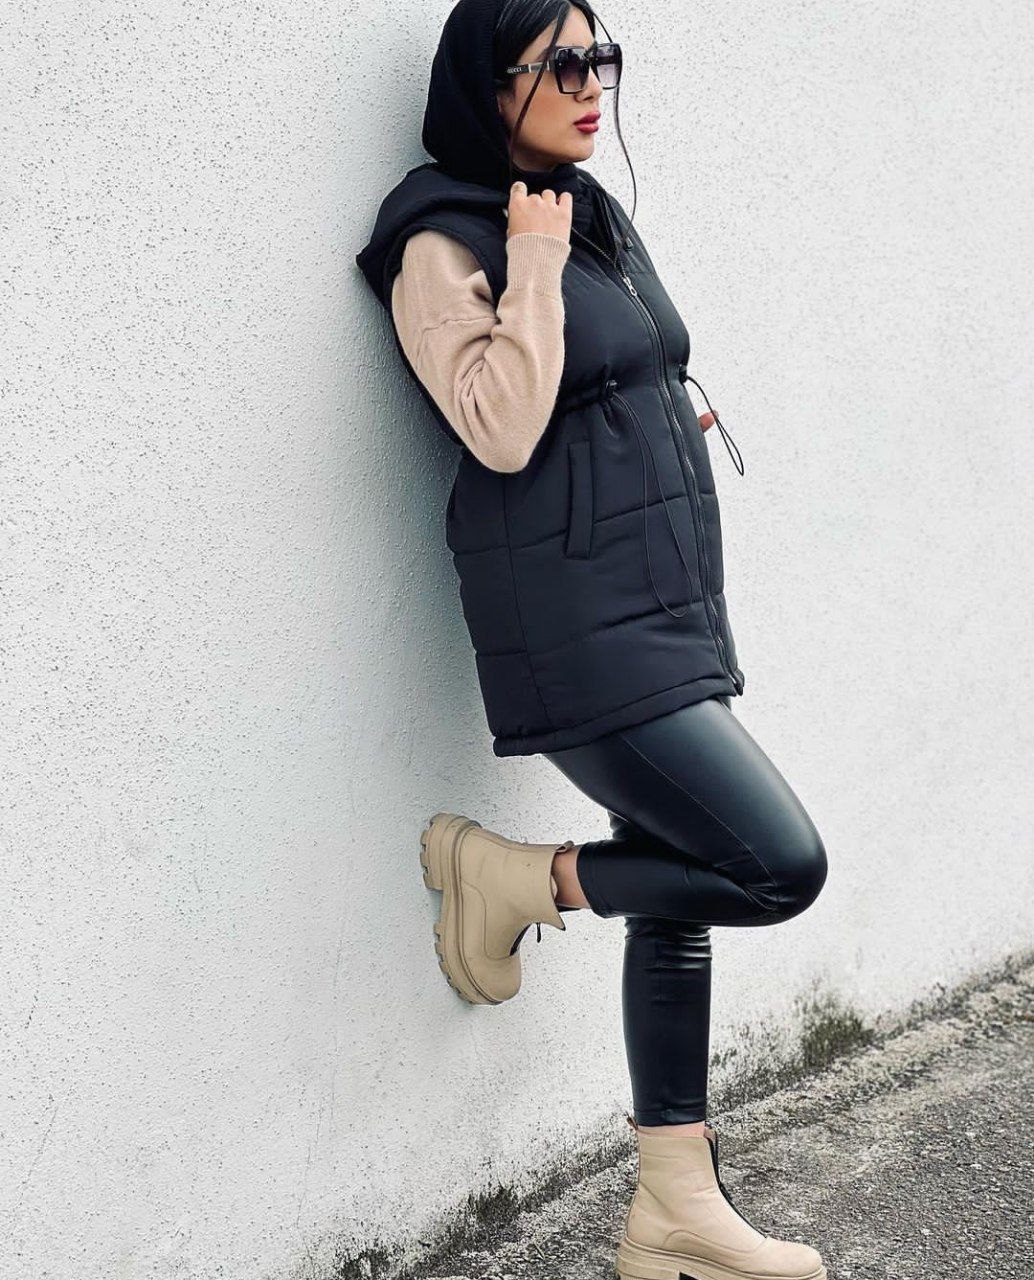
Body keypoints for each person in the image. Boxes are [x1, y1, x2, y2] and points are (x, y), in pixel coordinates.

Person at [356, 4, 830, 1278]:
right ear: (487, 84)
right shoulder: (440, 240)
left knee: (676, 884)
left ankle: (672, 1207)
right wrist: (524, 259)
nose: (591, 83)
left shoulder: (580, 210)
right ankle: (518, 879)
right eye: (560, 63)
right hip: (575, 625)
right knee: (774, 865)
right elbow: (499, 427)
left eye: (600, 57)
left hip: (662, 601)